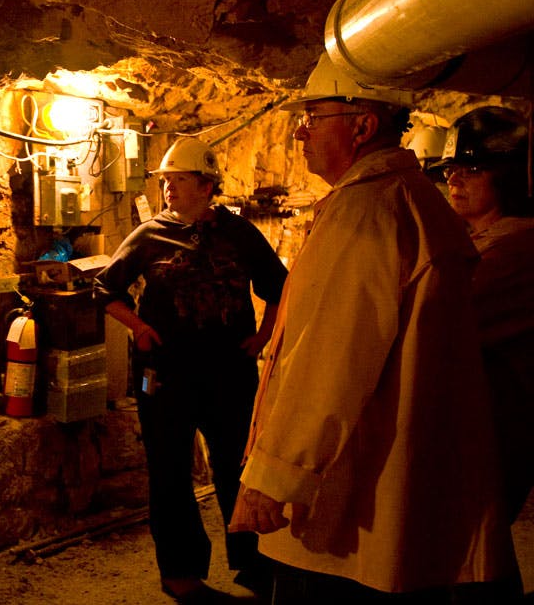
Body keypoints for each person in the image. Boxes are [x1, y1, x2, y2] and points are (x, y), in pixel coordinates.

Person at [227, 52, 521, 603]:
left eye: (314, 117)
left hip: (351, 498)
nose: (300, 133)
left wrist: (276, 474)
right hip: (394, 473)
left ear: (362, 124)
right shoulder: (407, 201)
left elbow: (330, 359)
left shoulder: (368, 212)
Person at [94, 137, 287, 601]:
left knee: (237, 468)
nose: (169, 191)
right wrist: (137, 325)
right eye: (166, 183)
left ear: (206, 185)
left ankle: (254, 565)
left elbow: (280, 286)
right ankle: (180, 574)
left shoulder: (239, 233)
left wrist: (263, 337)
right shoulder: (149, 235)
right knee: (169, 470)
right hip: (163, 375)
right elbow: (105, 289)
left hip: (228, 372)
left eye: (178, 182)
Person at [436, 105, 534, 523]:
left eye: (471, 170)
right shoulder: (484, 242)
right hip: (485, 424)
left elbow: (439, 323)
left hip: (499, 429)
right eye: (451, 170)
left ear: (508, 176)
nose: (454, 180)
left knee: (471, 548)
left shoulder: (514, 250)